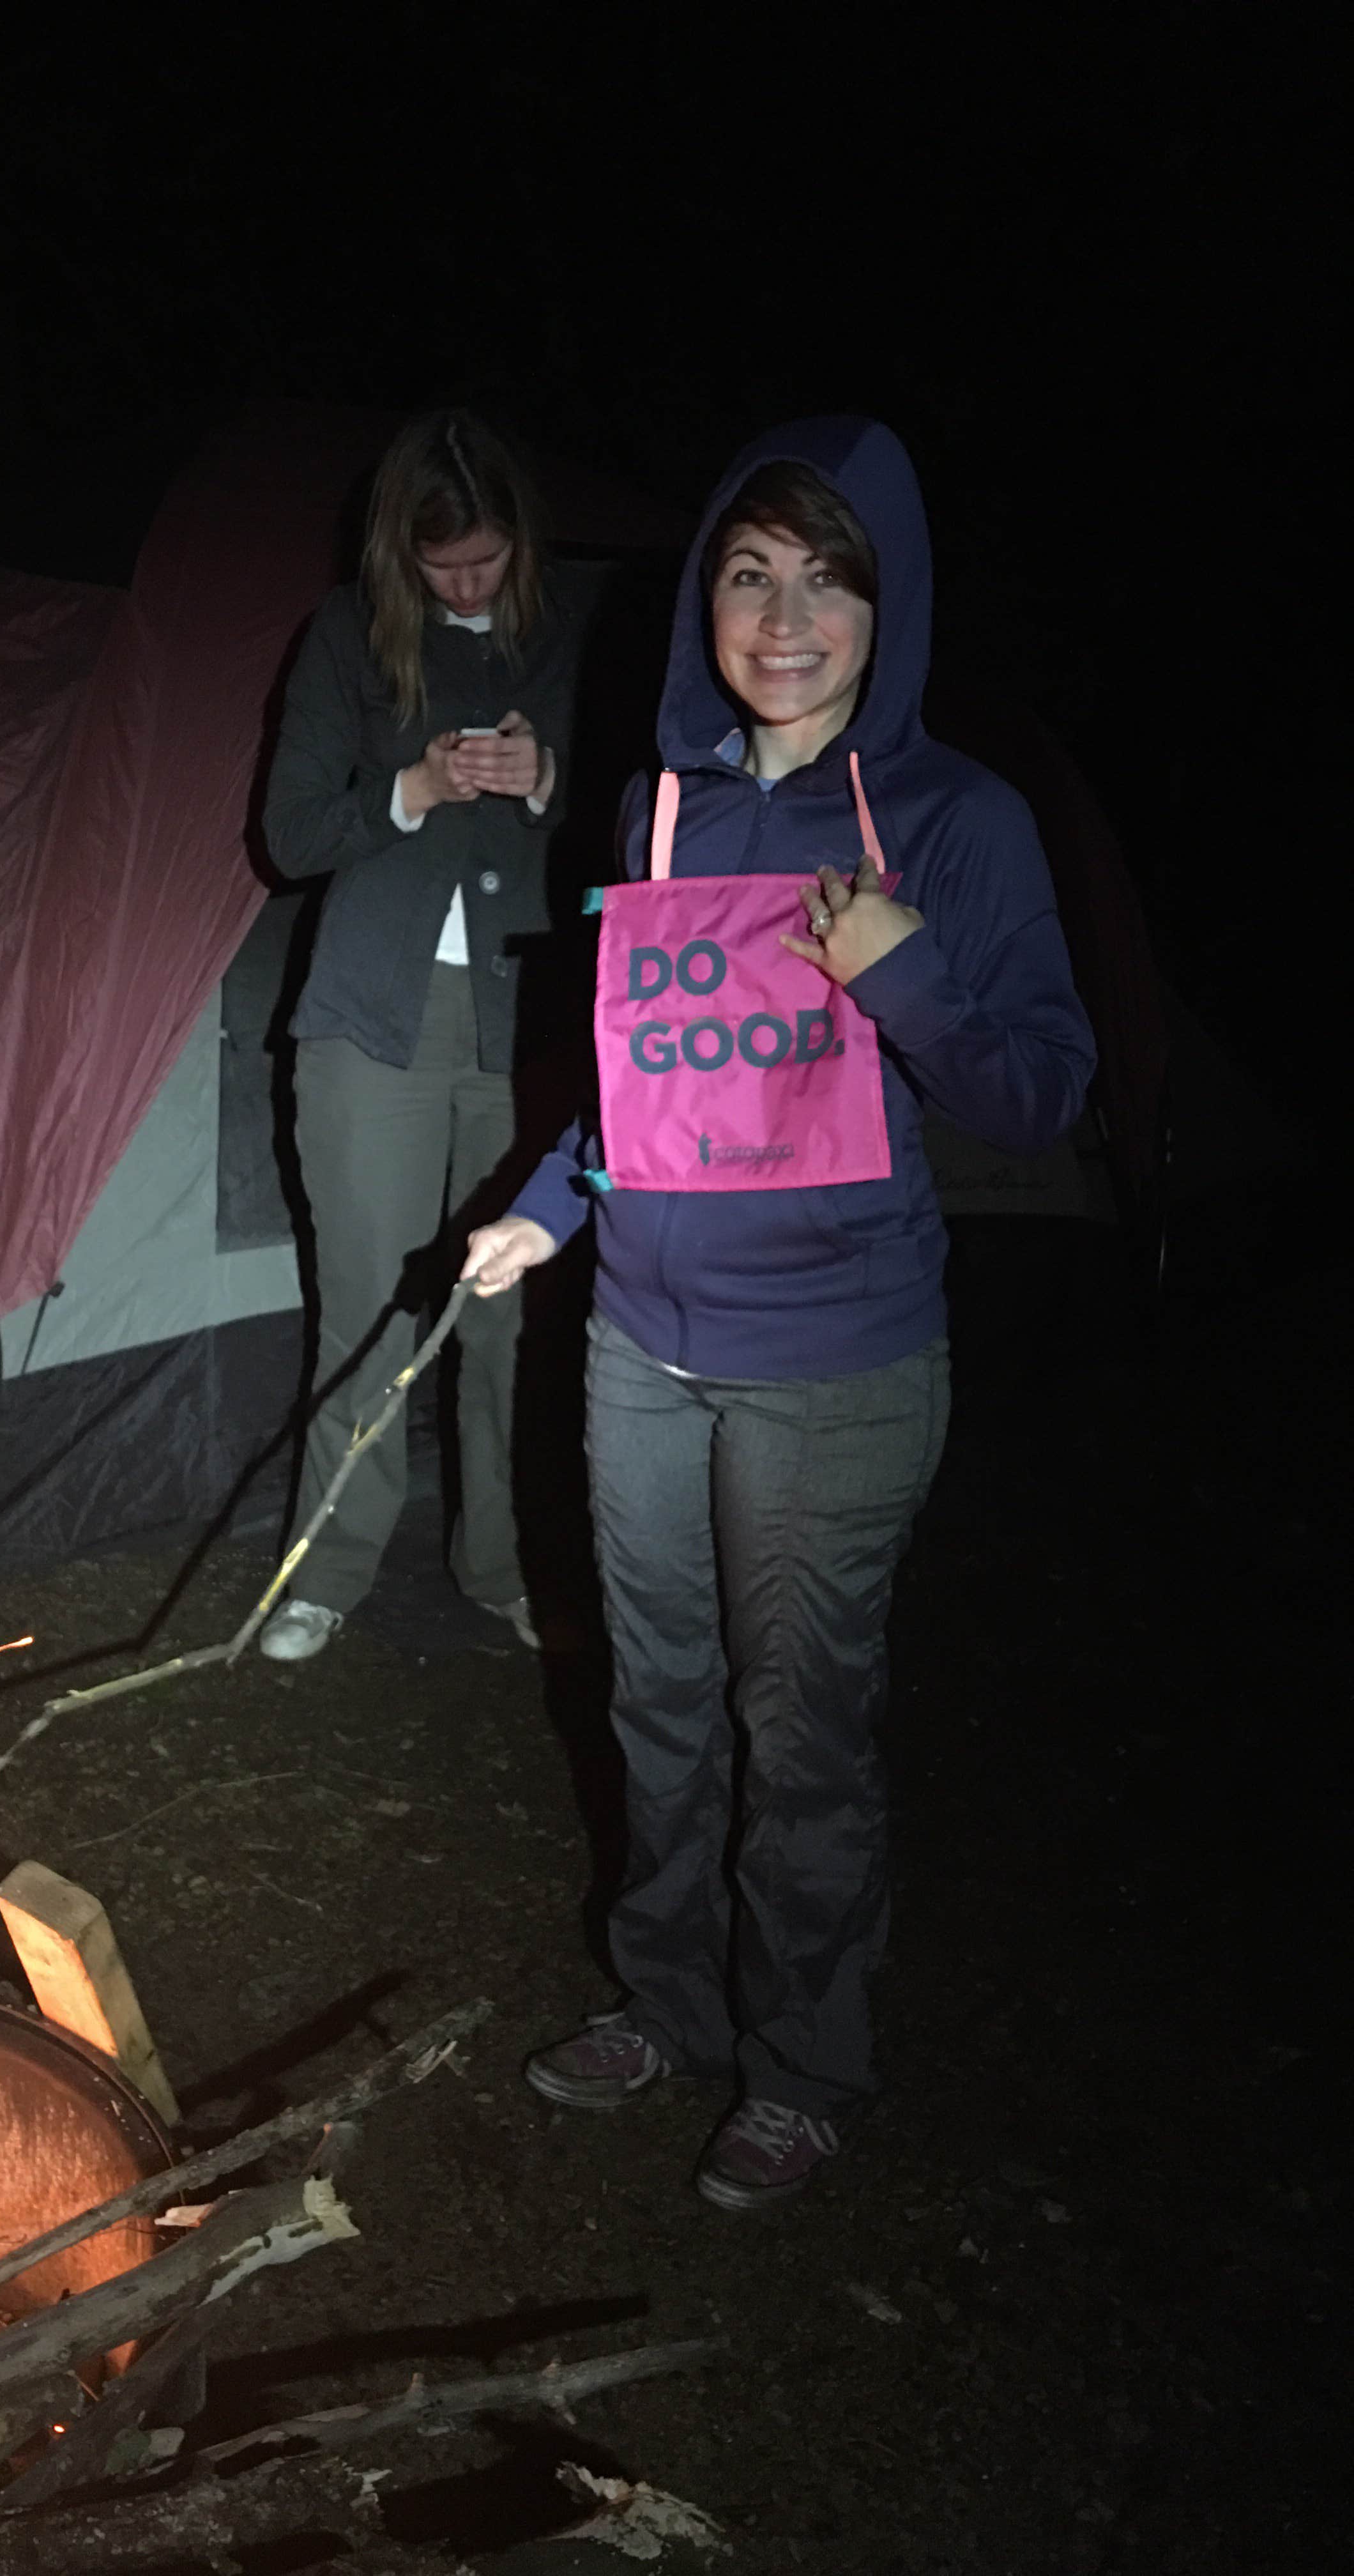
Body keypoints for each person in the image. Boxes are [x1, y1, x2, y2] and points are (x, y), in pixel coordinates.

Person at [461, 417, 1095, 2210]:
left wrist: (906, 975)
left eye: (829, 575)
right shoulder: (662, 801)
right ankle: (669, 2004)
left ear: (887, 604)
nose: (787, 611)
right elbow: (652, 1079)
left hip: (837, 1368)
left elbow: (1045, 1093)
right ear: (703, 601)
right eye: (750, 572)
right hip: (643, 1351)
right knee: (659, 1704)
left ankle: (806, 2061)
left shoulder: (960, 819)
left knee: (797, 1728)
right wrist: (537, 1211)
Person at [257, 411, 583, 1661]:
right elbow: (289, 836)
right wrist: (416, 789)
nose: (466, 583)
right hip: (369, 1022)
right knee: (368, 1314)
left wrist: (546, 779)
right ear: (400, 551)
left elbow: (646, 822)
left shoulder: (563, 636)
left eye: (487, 560)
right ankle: (326, 1570)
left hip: (523, 1024)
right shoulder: (347, 636)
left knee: (507, 1315)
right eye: (442, 564)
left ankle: (500, 1561)